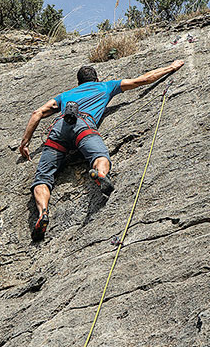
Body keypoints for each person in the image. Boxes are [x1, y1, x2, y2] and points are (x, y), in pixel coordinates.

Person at [19, 59, 184, 240]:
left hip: (59, 128)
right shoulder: (105, 86)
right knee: (100, 156)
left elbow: (37, 113)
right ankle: (101, 175)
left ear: (79, 82)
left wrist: (25, 143)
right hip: (83, 125)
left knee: (43, 178)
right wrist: (171, 66)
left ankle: (43, 213)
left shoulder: (66, 94)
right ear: (96, 79)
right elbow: (143, 80)